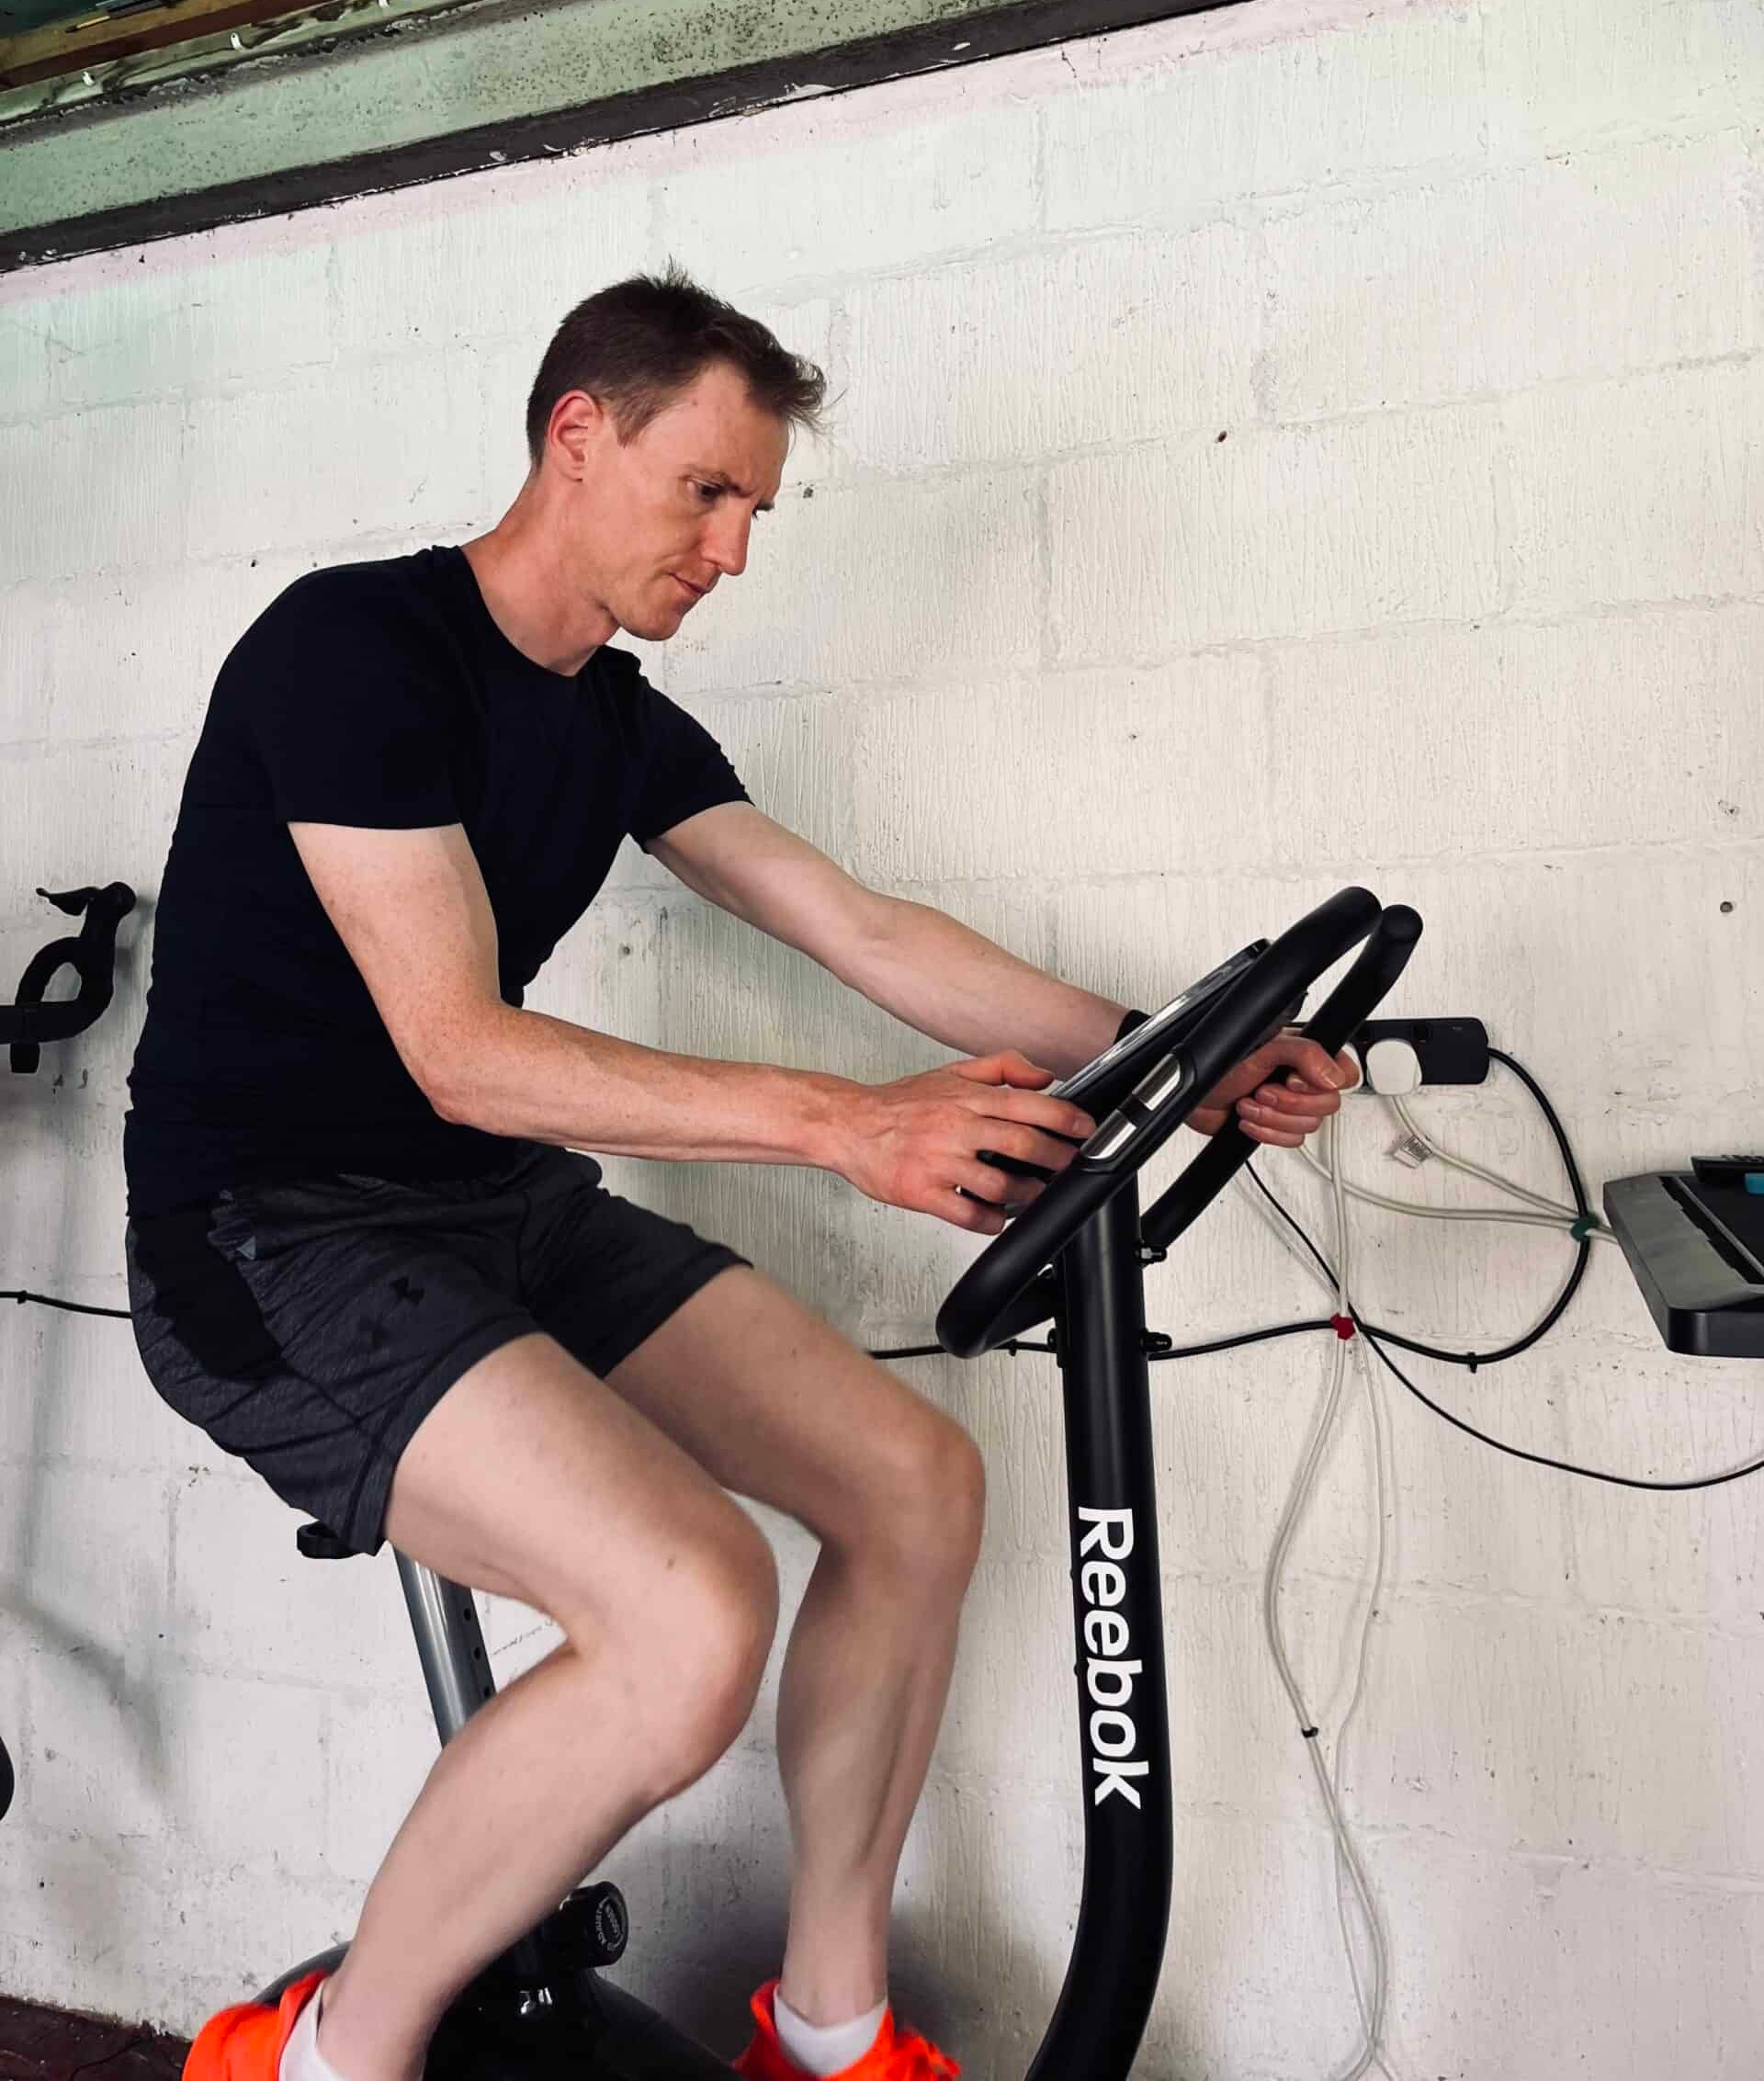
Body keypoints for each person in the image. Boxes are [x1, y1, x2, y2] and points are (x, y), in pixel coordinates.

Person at [123, 266, 1352, 2081]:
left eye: (757, 508)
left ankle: (832, 2032)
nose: (736, 547)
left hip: (490, 1209)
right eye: (706, 490)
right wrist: (850, 1124)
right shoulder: (352, 650)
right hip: (272, 1238)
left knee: (915, 1482)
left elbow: (855, 924)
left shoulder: (614, 721)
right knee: (689, 1609)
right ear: (576, 432)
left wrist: (1169, 1047)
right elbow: (458, 1046)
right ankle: (322, 2059)